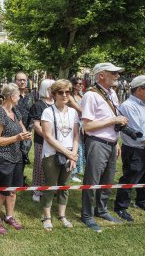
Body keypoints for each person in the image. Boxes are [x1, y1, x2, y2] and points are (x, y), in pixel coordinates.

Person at [80, 62, 128, 232]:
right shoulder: (90, 96)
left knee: (107, 180)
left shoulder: (112, 93)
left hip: (111, 143)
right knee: (92, 181)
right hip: (97, 143)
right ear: (101, 75)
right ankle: (86, 215)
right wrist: (114, 121)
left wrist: (117, 141)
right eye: (113, 73)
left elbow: (115, 119)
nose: (117, 76)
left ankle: (101, 210)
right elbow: (87, 126)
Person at [114, 75, 145, 221]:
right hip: (135, 150)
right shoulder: (128, 106)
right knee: (130, 178)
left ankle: (142, 201)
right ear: (139, 89)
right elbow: (138, 132)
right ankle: (121, 207)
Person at [0, 83, 31, 235]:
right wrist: (16, 137)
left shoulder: (16, 111)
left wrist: (25, 134)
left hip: (17, 156)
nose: (20, 97)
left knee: (13, 191)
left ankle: (9, 216)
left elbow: (22, 129)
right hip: (3, 157)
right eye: (18, 94)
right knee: (2, 192)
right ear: (11, 96)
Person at [41, 79, 79, 231]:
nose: (64, 95)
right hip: (52, 154)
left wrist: (73, 154)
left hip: (69, 154)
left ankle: (62, 215)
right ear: (54, 94)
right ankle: (47, 216)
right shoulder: (48, 111)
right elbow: (48, 137)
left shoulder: (74, 112)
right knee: (50, 186)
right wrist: (69, 153)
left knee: (65, 186)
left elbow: (76, 135)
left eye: (68, 92)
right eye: (61, 92)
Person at [29, 79, 55, 202]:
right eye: (51, 88)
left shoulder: (57, 103)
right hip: (42, 140)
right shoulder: (38, 105)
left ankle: (50, 189)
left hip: (57, 141)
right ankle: (37, 190)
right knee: (40, 165)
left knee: (52, 166)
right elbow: (36, 125)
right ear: (45, 89)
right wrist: (48, 137)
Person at [14, 72, 34, 185]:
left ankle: (20, 178)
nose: (22, 82)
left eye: (24, 80)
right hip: (14, 131)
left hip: (27, 132)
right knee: (15, 155)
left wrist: (29, 130)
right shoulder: (11, 96)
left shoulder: (30, 97)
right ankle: (15, 180)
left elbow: (32, 114)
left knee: (24, 155)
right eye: (19, 80)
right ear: (15, 81)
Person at [69, 77, 85, 183]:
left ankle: (79, 169)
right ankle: (72, 172)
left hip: (84, 123)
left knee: (82, 147)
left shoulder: (82, 95)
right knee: (76, 147)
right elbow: (79, 109)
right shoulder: (70, 97)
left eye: (81, 83)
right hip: (75, 123)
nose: (80, 85)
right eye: (78, 84)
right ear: (73, 85)